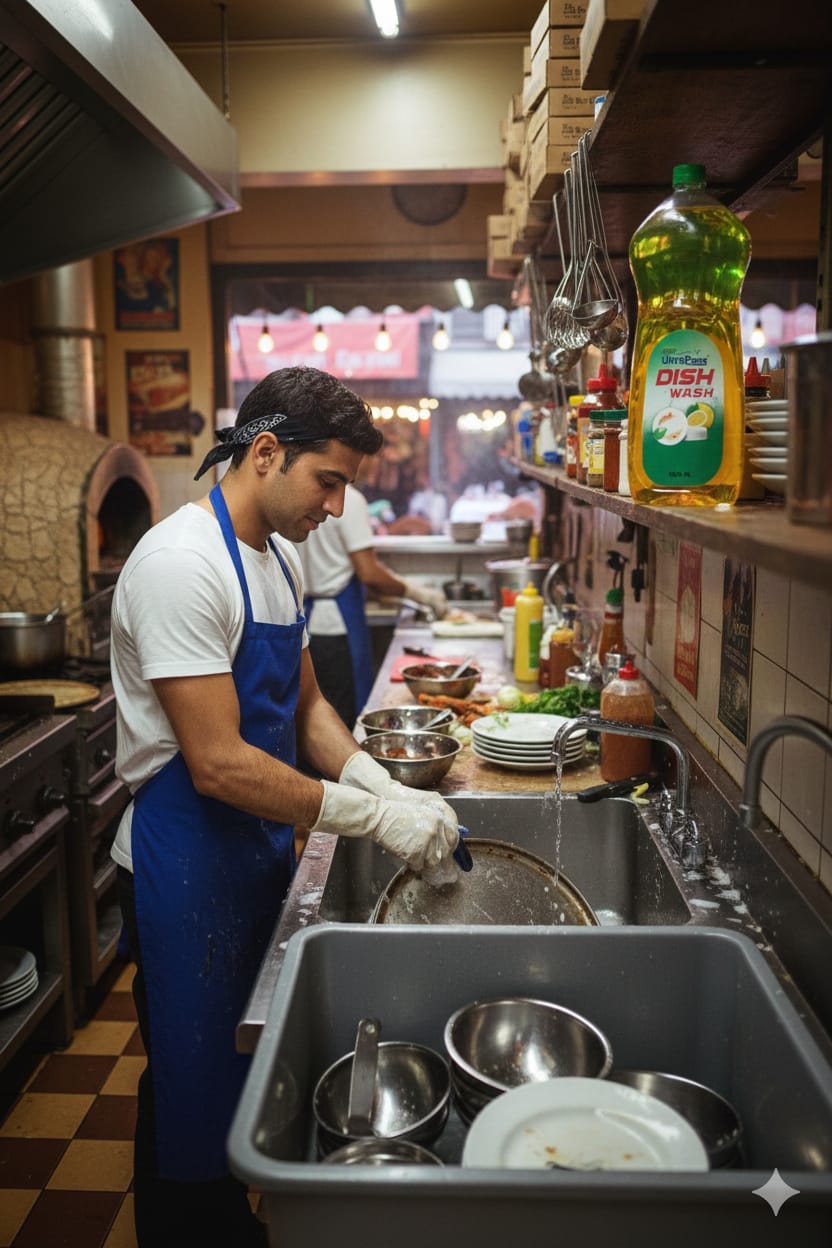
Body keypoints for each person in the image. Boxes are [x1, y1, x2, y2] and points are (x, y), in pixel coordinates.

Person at [109, 366, 460, 1248]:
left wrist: (377, 777)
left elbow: (305, 709)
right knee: (190, 1095)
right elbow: (220, 763)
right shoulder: (182, 564)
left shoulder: (279, 556)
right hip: (182, 862)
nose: (337, 508)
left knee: (247, 1082)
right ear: (265, 453)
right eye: (328, 480)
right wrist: (370, 818)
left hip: (253, 852)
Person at [297, 482, 447, 727]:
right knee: (344, 719)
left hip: (310, 624)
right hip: (338, 630)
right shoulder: (349, 499)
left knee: (316, 714)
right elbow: (369, 573)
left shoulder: (305, 494)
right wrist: (419, 594)